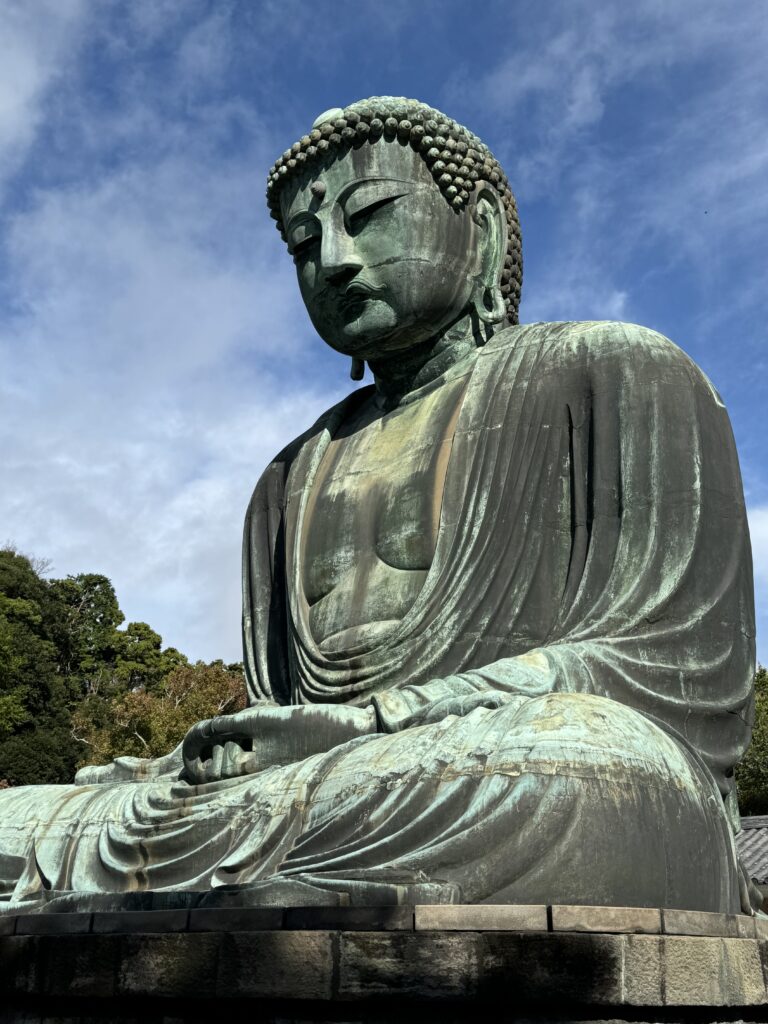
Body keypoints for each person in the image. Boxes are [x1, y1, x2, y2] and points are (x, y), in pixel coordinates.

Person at [0, 97, 757, 914]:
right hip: (332, 785)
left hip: (509, 756)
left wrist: (378, 722)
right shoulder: (287, 476)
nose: (333, 260)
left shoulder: (616, 371)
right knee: (22, 818)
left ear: (482, 231)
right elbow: (276, 714)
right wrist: (197, 762)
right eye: (304, 245)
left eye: (369, 215)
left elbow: (682, 672)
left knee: (584, 770)